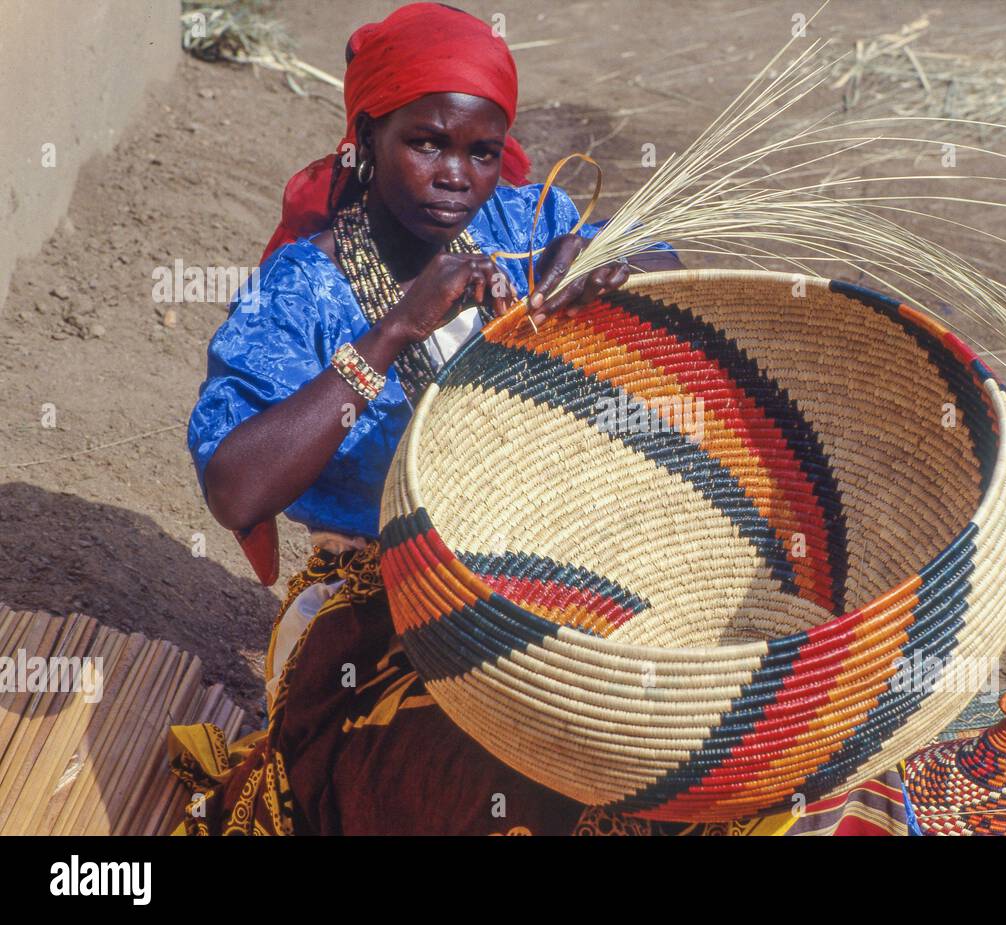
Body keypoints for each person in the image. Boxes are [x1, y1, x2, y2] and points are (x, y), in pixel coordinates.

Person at [170, 2, 684, 835]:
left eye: (482, 151)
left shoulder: (522, 220)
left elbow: (670, 254)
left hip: (540, 572)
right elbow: (235, 487)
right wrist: (390, 333)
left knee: (677, 730)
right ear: (367, 136)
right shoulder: (303, 289)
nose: (458, 175)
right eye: (427, 142)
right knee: (503, 779)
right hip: (374, 616)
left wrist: (600, 264)